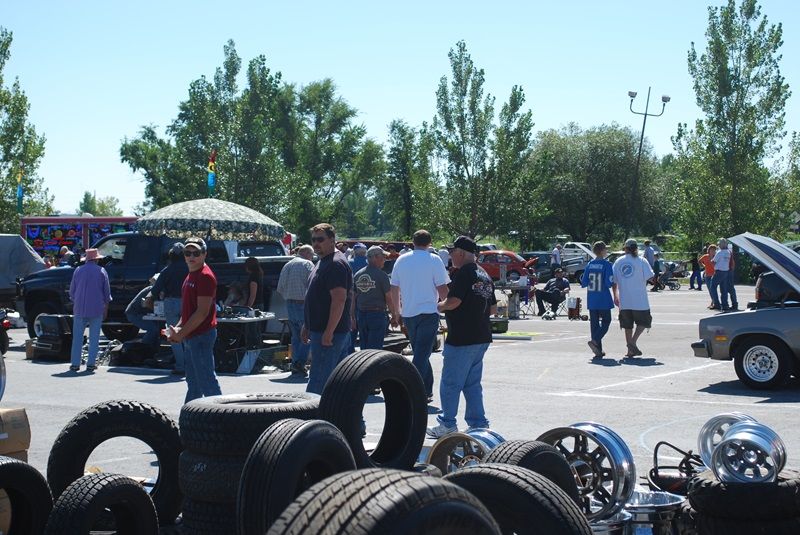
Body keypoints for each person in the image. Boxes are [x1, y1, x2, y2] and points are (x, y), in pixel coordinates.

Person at [427, 236, 495, 438]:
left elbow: (454, 301)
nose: (449, 255)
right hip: (481, 335)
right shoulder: (484, 274)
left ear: (461, 253)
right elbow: (492, 308)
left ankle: (447, 423)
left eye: (452, 251)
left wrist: (439, 305)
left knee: (450, 382)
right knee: (471, 383)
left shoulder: (464, 273)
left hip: (462, 337)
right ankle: (478, 423)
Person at [390, 229, 450, 403]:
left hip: (409, 313)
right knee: (421, 355)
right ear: (429, 243)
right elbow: (442, 289)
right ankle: (411, 389)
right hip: (429, 312)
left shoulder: (401, 260)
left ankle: (425, 390)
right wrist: (451, 305)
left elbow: (394, 288)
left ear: (412, 242)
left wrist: (396, 311)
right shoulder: (434, 260)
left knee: (421, 352)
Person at [167, 237, 222, 403]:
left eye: (196, 253)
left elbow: (202, 312)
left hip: (201, 336)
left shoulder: (205, 276)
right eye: (187, 252)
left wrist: (181, 333)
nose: (191, 256)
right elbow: (188, 311)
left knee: (207, 382)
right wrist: (176, 329)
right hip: (191, 336)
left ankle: (224, 420)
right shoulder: (191, 274)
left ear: (204, 254)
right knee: (194, 384)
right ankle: (189, 419)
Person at [302, 224, 353, 394]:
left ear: (332, 240)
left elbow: (339, 300)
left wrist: (329, 331)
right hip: (321, 329)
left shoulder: (336, 264)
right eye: (314, 240)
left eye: (320, 239)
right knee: (338, 382)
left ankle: (311, 418)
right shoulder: (323, 261)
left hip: (330, 333)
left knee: (318, 381)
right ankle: (346, 419)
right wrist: (307, 324)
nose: (316, 243)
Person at [68, 248, 111, 372]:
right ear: (96, 259)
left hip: (79, 308)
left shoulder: (78, 270)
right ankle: (91, 364)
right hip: (96, 308)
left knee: (77, 338)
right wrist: (105, 309)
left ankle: (75, 364)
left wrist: (77, 301)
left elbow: (72, 292)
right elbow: (106, 293)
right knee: (94, 338)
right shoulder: (101, 271)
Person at [613, 239, 655, 357]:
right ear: (636, 248)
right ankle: (632, 342)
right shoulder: (642, 261)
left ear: (625, 248)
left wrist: (615, 295)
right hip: (640, 300)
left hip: (625, 300)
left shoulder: (618, 261)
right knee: (644, 322)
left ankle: (630, 350)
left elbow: (614, 281)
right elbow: (651, 277)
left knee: (627, 325)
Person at [151, 243, 189, 375]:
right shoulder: (190, 268)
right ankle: (190, 364)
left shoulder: (167, 270)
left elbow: (155, 290)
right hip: (188, 302)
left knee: (174, 335)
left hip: (171, 302)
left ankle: (180, 366)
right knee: (187, 333)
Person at [277, 245, 314, 376]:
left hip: (289, 303)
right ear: (307, 253)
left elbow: (280, 287)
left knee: (296, 336)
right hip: (303, 304)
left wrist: (289, 296)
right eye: (312, 255)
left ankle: (295, 363)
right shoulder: (308, 264)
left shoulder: (287, 265)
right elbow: (313, 286)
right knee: (306, 334)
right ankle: (300, 362)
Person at [354, 246, 397, 350]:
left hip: (361, 315)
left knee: (364, 347)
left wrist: (352, 316)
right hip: (377, 315)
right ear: (376, 257)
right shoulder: (382, 275)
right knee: (375, 348)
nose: (384, 260)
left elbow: (353, 297)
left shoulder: (358, 274)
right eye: (383, 257)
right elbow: (389, 298)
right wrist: (394, 315)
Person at [580, 241, 617, 359]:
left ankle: (598, 350)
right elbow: (609, 282)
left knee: (594, 324)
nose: (607, 251)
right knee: (606, 321)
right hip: (603, 298)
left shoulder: (590, 264)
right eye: (606, 249)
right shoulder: (607, 265)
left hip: (592, 298)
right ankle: (595, 340)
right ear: (602, 251)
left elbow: (584, 282)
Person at [124, 276, 161, 349]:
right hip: (134, 314)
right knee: (153, 329)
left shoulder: (153, 289)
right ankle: (142, 348)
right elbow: (147, 303)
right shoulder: (152, 289)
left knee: (158, 328)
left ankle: (154, 350)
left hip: (139, 313)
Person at [712, 238, 734, 311]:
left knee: (712, 287)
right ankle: (725, 305)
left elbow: (713, 262)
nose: (718, 245)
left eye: (719, 244)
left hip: (719, 272)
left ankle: (717, 304)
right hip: (726, 272)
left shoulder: (719, 252)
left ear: (721, 244)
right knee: (724, 290)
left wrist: (711, 260)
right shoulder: (728, 252)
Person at [699, 245, 720, 309]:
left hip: (715, 275)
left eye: (714, 250)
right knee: (710, 290)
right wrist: (703, 266)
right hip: (707, 275)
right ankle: (713, 302)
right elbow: (699, 261)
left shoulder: (716, 257)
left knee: (713, 290)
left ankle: (715, 302)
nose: (713, 251)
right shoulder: (705, 257)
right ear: (709, 250)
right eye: (711, 250)